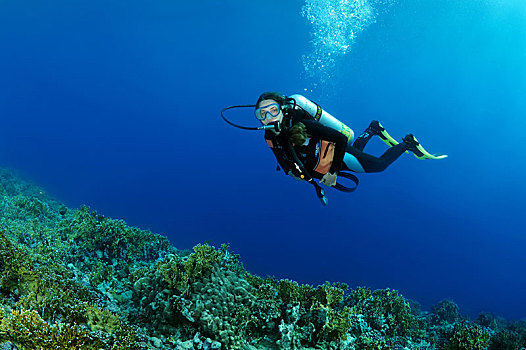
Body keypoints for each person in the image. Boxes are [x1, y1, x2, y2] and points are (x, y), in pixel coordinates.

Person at [255, 91, 445, 188]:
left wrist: (333, 172)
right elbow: (278, 155)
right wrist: (290, 171)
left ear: (282, 109)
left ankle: (408, 143)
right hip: (323, 161)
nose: (269, 117)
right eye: (262, 114)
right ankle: (372, 130)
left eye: (273, 110)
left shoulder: (303, 124)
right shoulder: (269, 135)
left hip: (337, 156)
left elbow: (339, 138)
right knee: (359, 154)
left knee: (379, 165)